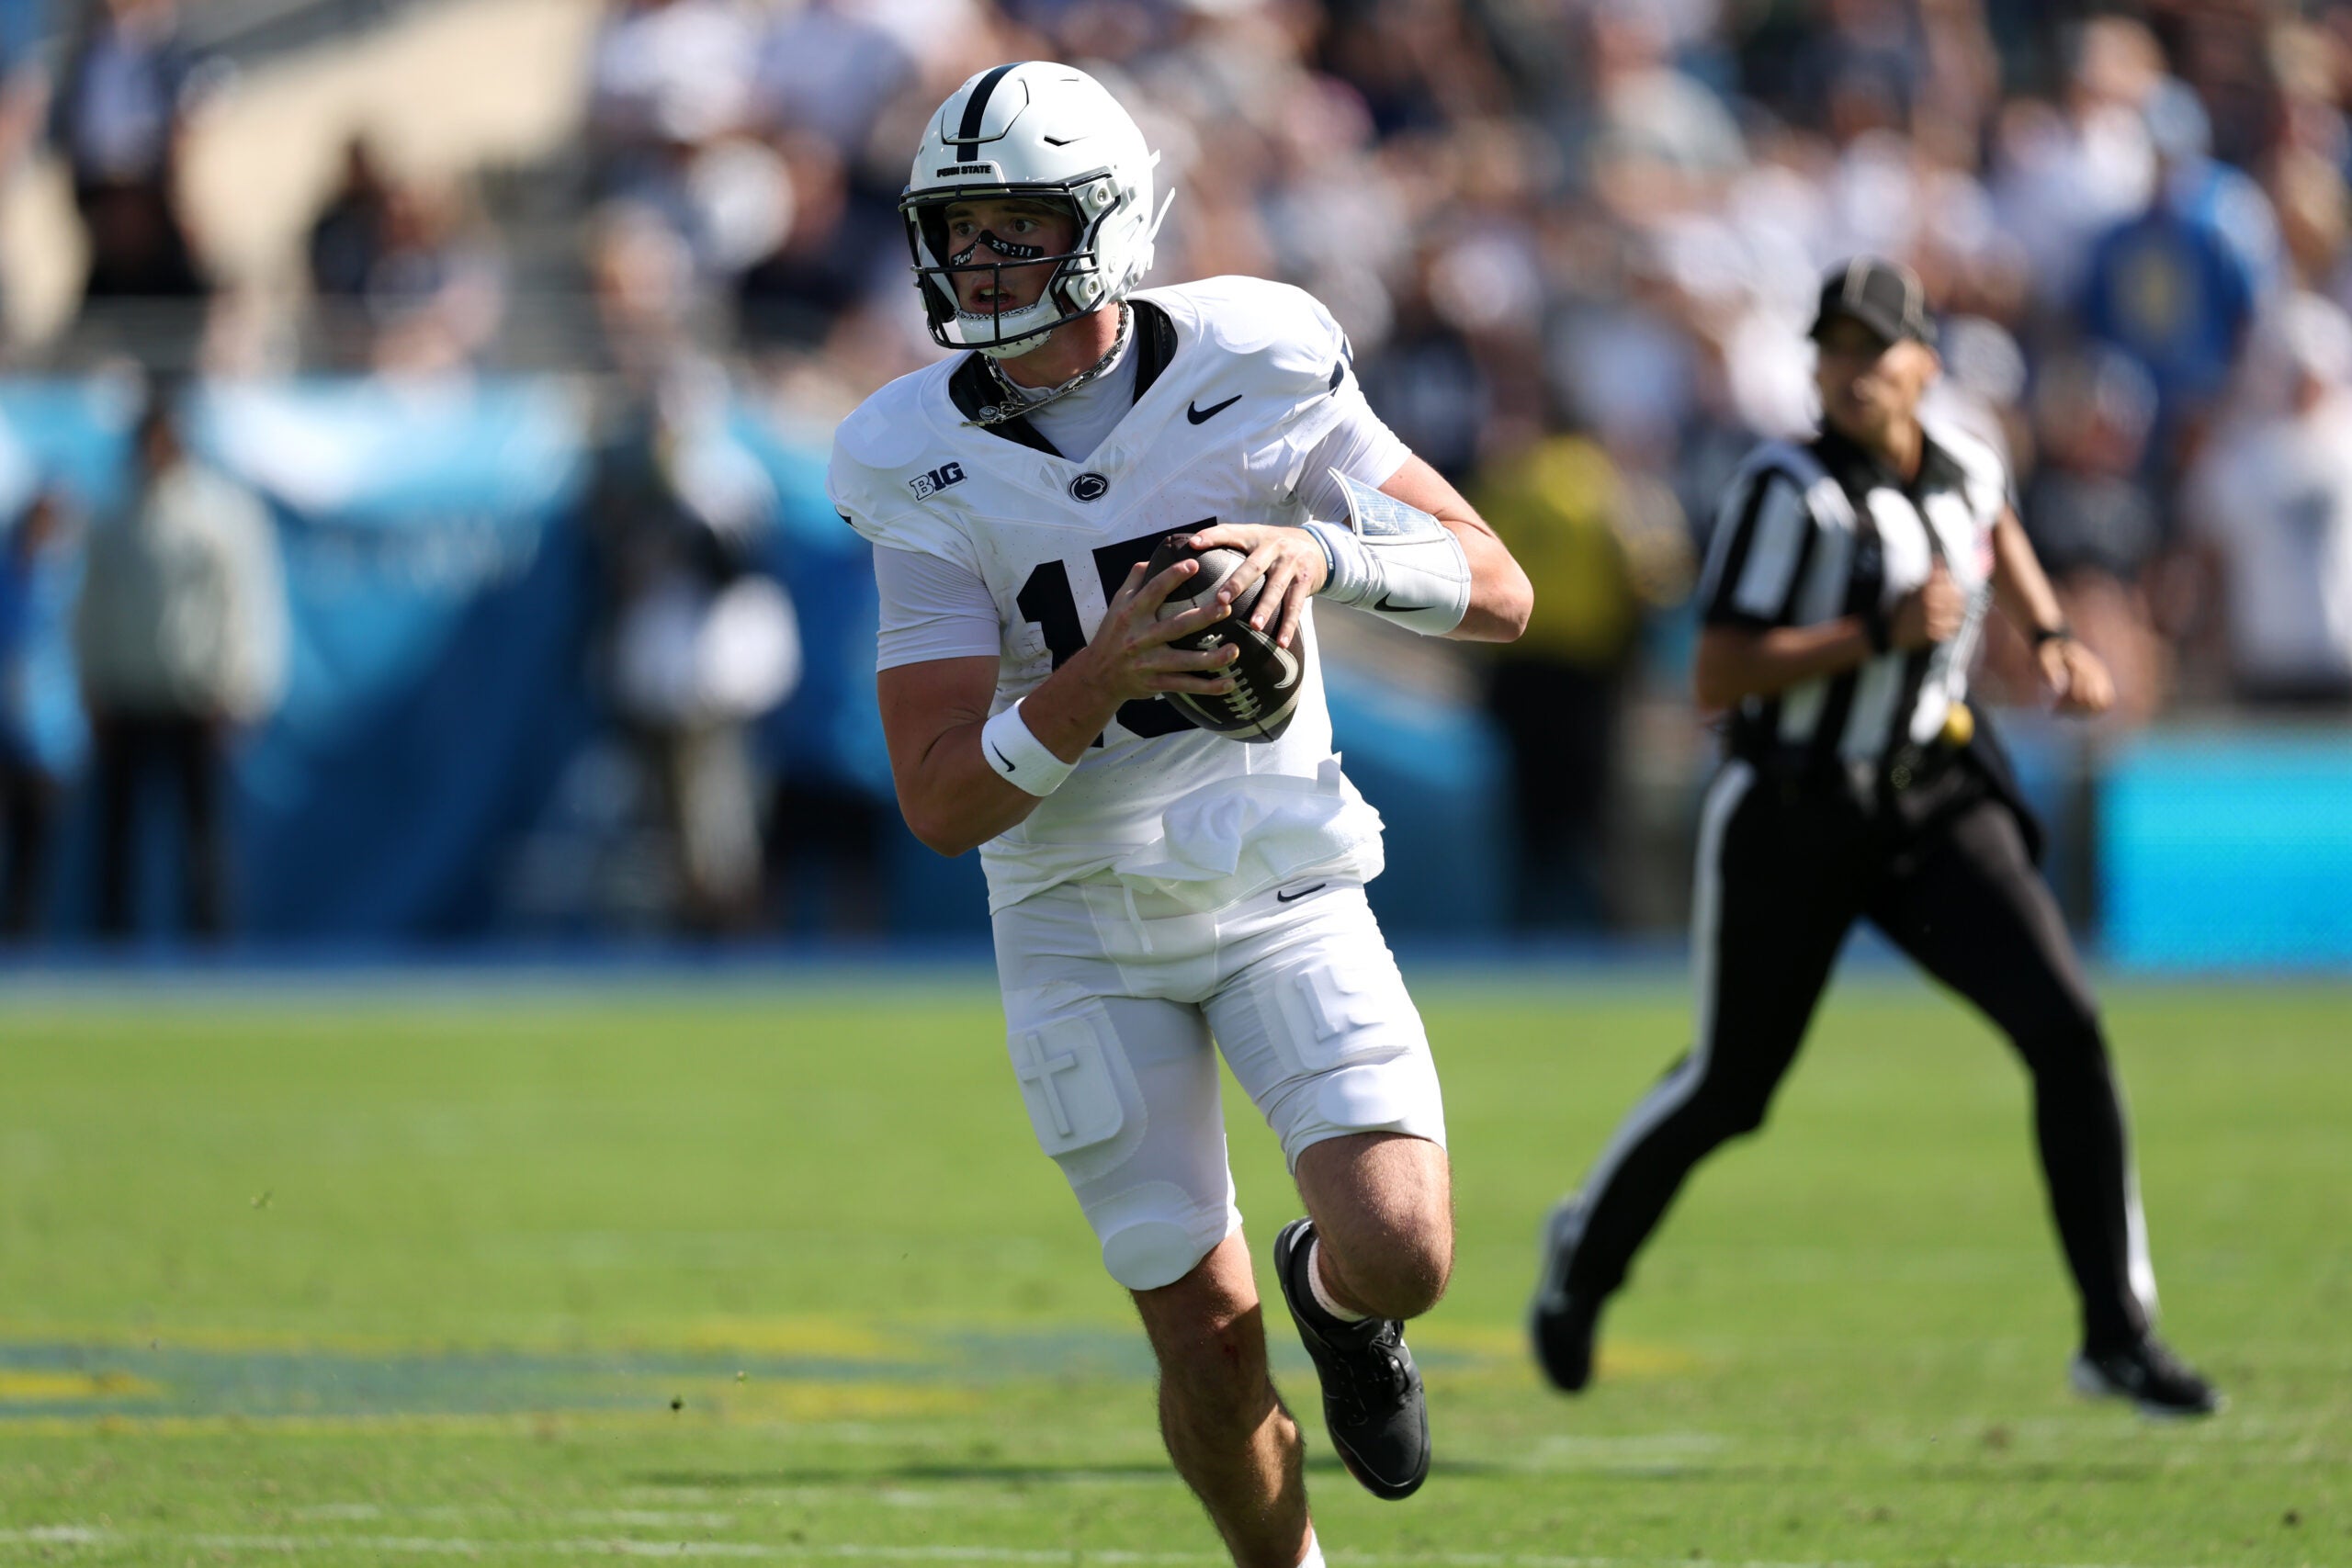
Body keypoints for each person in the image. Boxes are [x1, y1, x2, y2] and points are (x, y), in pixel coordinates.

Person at [827, 62, 1531, 1566]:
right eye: (959, 230)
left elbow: (1500, 584)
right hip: (1080, 919)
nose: (978, 263)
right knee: (1207, 1344)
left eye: (1015, 227)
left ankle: (1335, 1307)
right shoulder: (913, 453)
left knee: (1401, 1247)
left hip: (1277, 869)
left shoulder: (1261, 354)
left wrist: (1326, 558)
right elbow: (944, 800)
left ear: (1107, 224)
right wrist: (1093, 683)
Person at [1527, 257, 2221, 1419]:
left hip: (1931, 797)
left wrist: (2050, 635)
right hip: (1796, 809)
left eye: (1874, 348)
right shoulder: (1783, 489)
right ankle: (1585, 1252)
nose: (1851, 370)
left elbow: (1993, 526)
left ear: (1924, 365)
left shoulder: (1964, 462)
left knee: (2067, 1031)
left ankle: (2115, 1331)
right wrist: (1873, 633)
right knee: (1731, 1088)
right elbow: (1718, 670)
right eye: (1833, 349)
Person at [74, 392, 287, 940]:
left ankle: (209, 949)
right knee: (117, 837)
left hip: (195, 694)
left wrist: (239, 687)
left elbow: (242, 603)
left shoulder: (218, 514)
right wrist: (90, 684)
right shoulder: (113, 516)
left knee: (202, 836)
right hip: (128, 692)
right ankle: (110, 948)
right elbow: (90, 606)